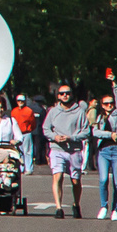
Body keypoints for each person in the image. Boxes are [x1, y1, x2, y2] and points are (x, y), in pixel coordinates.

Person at [42, 82, 89, 219]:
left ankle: (76, 204)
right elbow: (46, 129)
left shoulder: (79, 112)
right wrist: (55, 137)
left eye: (67, 93)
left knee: (75, 180)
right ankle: (58, 208)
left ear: (71, 95)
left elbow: (86, 131)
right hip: (57, 148)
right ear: (58, 96)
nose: (65, 96)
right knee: (58, 176)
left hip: (74, 149)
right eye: (62, 94)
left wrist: (72, 137)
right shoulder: (53, 111)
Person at [90, 77, 117, 221]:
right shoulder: (99, 117)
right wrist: (110, 134)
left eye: (111, 103)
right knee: (103, 179)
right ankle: (104, 206)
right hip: (103, 151)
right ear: (102, 105)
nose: (109, 105)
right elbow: (94, 132)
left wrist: (115, 84)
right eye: (106, 104)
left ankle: (115, 209)